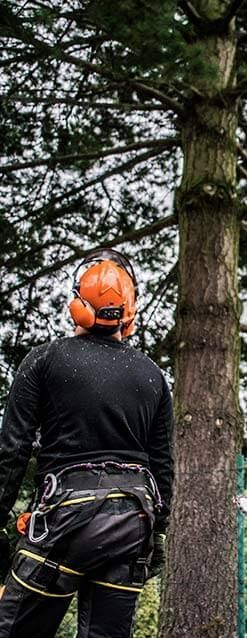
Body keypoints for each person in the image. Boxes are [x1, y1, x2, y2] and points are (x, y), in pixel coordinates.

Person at [0, 248, 174, 637]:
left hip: (64, 522)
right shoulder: (152, 375)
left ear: (77, 306)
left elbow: (11, 452)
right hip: (132, 526)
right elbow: (162, 467)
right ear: (128, 315)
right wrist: (157, 533)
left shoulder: (44, 360)